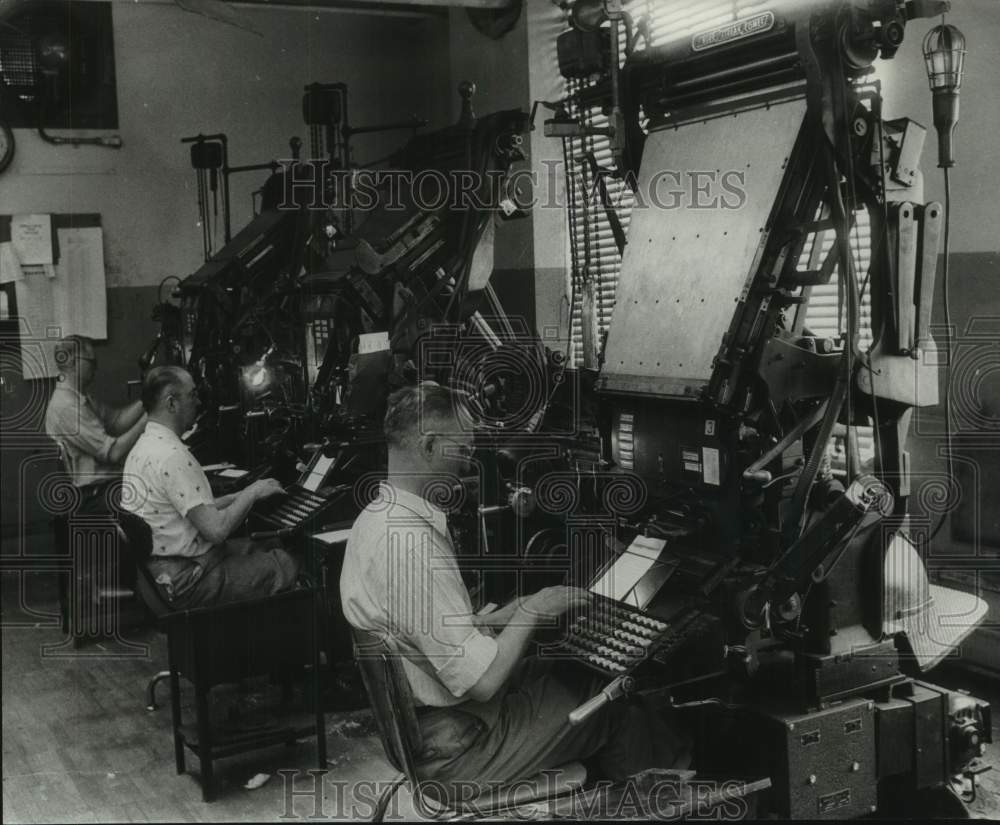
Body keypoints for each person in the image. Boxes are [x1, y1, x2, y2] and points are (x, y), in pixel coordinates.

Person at [340, 382, 690, 802]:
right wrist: (533, 611)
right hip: (459, 754)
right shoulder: (410, 547)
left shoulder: (376, 519)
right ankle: (673, 801)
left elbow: (413, 627)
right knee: (613, 697)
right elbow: (483, 683)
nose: (470, 463)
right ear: (430, 446)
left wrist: (497, 617)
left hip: (429, 733)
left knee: (560, 667)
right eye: (464, 449)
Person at [122, 365, 299, 608]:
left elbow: (186, 510)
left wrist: (236, 496)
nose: (199, 401)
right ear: (171, 403)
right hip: (188, 581)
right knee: (286, 562)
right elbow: (216, 531)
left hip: (161, 575)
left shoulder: (144, 447)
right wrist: (252, 492)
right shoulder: (171, 455)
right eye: (193, 395)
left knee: (266, 544)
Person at [44, 335, 147, 503]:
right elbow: (112, 453)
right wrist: (150, 417)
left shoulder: (78, 397)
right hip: (96, 495)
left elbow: (116, 422)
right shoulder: (67, 407)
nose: (96, 368)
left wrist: (149, 399)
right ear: (73, 362)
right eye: (92, 362)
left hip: (107, 486)